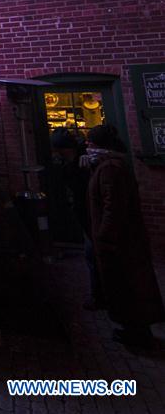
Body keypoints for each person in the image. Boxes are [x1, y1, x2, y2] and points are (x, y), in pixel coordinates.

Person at [84, 124, 164, 346]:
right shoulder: (108, 165)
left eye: (90, 142)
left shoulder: (110, 168)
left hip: (120, 242)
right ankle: (134, 329)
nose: (87, 145)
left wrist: (104, 235)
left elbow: (113, 206)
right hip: (121, 239)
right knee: (125, 285)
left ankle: (137, 332)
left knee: (126, 286)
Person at [49, 128, 102, 309]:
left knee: (94, 255)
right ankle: (100, 294)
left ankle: (100, 296)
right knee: (91, 255)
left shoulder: (87, 161)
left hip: (91, 213)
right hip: (84, 212)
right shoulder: (71, 161)